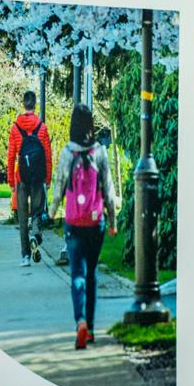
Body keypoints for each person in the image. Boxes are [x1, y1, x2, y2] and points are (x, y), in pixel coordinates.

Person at [51, 104, 120, 350]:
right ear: (91, 125)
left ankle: (79, 320)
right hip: (95, 220)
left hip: (73, 221)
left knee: (77, 274)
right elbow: (109, 189)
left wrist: (52, 211)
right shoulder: (99, 152)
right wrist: (112, 222)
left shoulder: (67, 152)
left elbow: (59, 184)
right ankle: (90, 329)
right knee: (91, 274)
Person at [6, 91, 52, 265]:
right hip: (38, 177)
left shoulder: (15, 127)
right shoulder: (42, 127)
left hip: (21, 178)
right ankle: (36, 233)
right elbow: (47, 155)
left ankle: (25, 256)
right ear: (35, 104)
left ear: (23, 104)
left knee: (23, 216)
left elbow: (11, 156)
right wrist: (47, 179)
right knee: (38, 210)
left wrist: (11, 181)